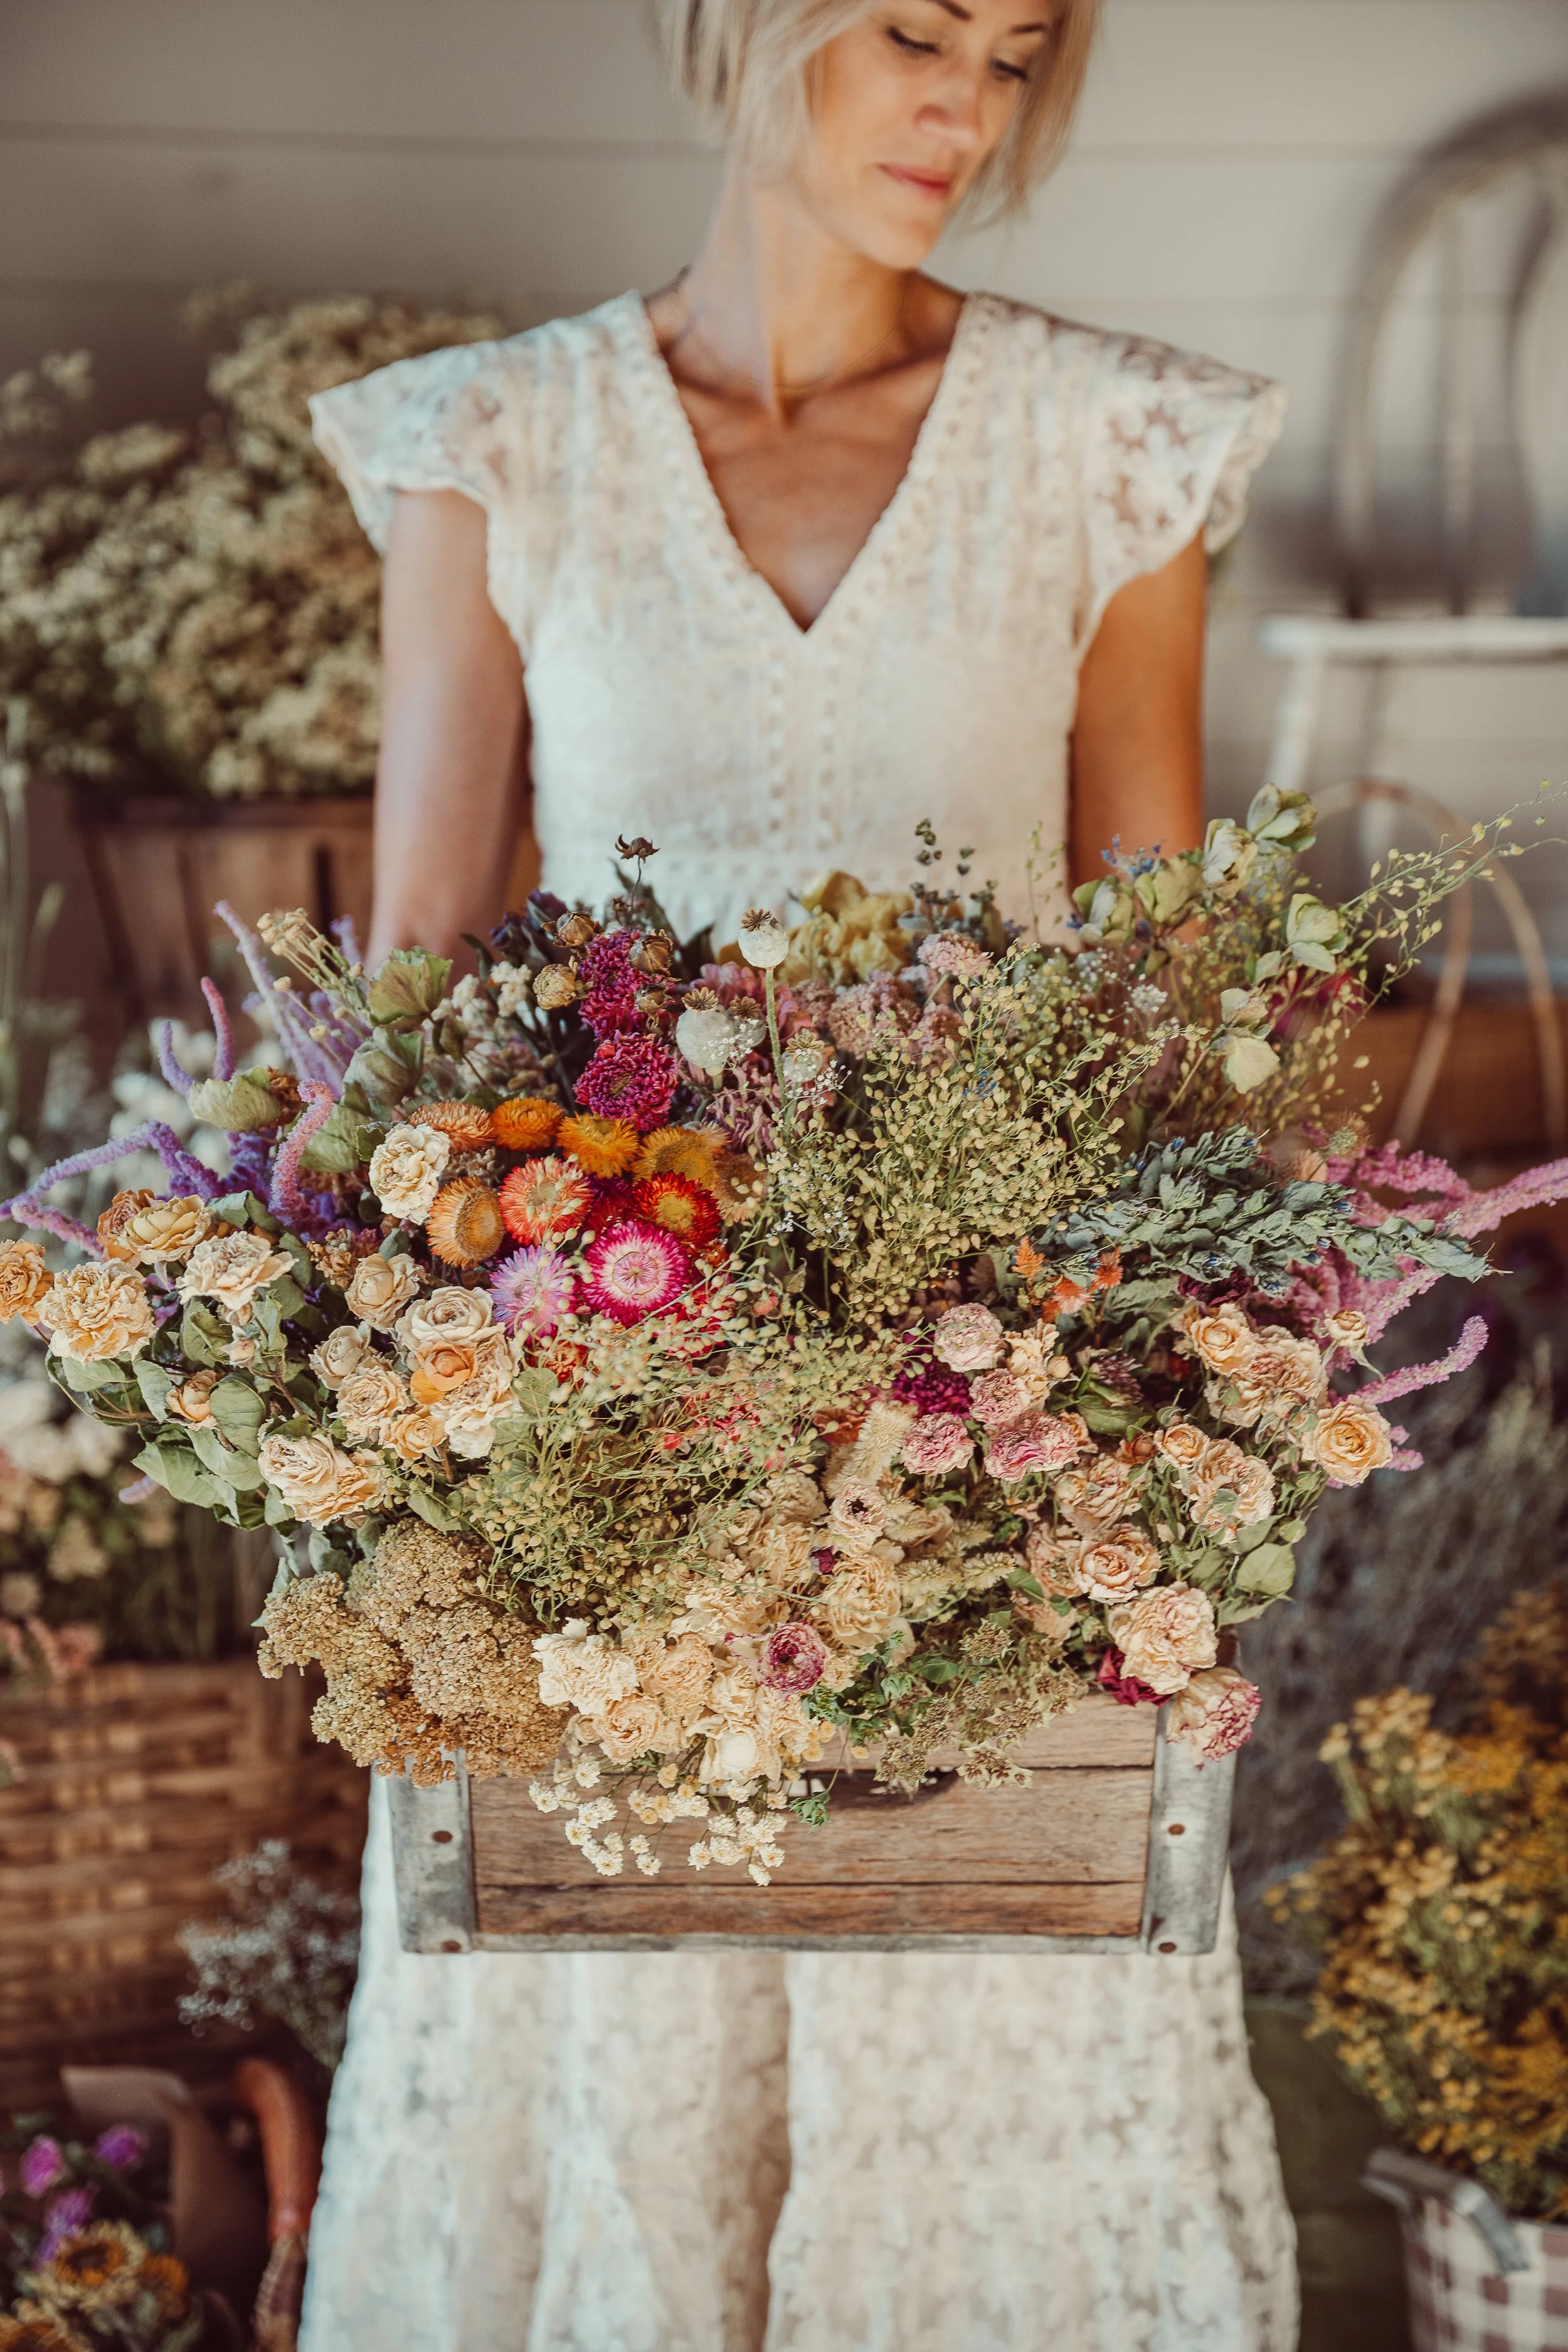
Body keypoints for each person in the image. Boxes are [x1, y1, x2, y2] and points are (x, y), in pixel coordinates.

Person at [302, 4, 1295, 2346]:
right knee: (616, 2036)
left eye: (1019, 51)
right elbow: (419, 981)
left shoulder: (1109, 446)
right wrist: (385, 1422)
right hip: (592, 1432)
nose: (970, 107)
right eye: (913, 33)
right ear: (742, 27)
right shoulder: (499, 443)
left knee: (989, 2034)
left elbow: (1155, 992)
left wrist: (1174, 1410)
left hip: (994, 1434)